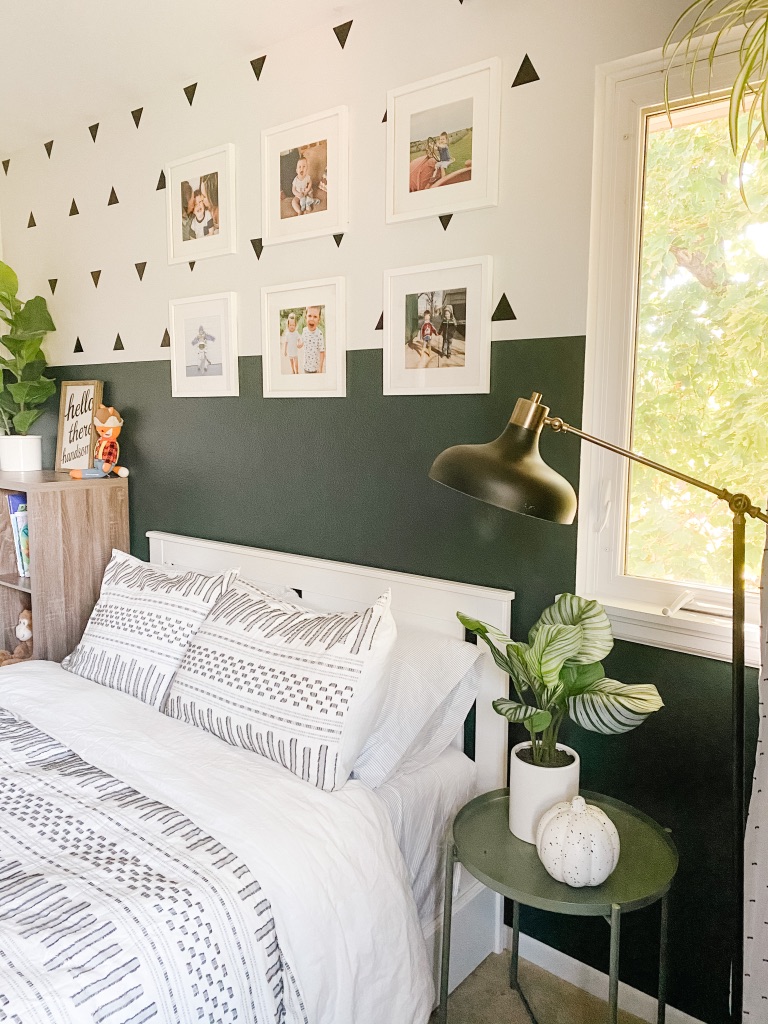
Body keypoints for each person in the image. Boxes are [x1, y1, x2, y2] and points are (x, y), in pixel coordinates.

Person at [298, 305, 325, 373]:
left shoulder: (319, 334)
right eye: (309, 316)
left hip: (316, 368)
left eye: (315, 317)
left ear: (319, 320)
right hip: (306, 366)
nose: (312, 319)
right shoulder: (304, 331)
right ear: (305, 317)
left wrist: (320, 367)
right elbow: (302, 341)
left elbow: (322, 352)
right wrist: (299, 344)